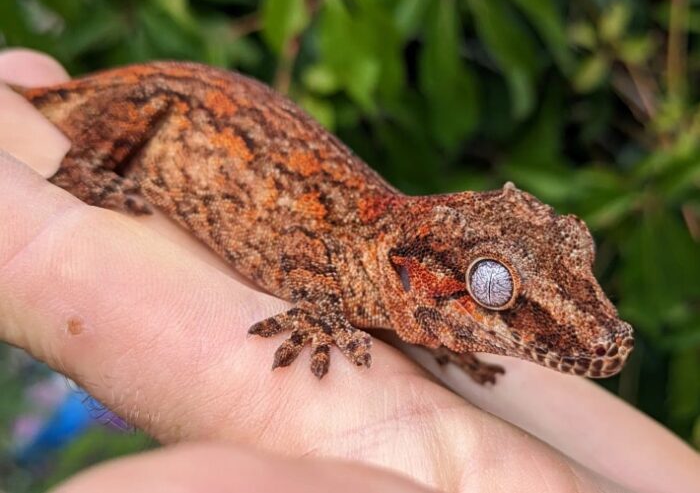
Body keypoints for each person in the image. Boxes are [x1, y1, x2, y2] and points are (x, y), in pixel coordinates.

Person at [0, 48, 698, 493]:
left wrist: (456, 337)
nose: (588, 328)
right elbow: (306, 252)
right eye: (495, 289)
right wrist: (88, 168)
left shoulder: (393, 269)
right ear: (414, 273)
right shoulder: (346, 253)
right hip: (153, 106)